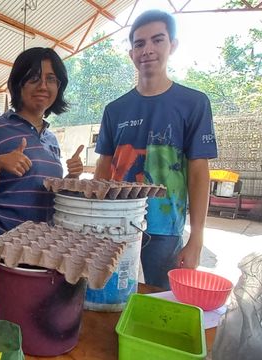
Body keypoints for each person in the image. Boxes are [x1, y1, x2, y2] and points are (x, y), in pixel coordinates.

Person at [94, 10, 218, 289]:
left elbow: (198, 173)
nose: (147, 50)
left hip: (165, 227)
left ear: (172, 45)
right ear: (131, 53)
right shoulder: (115, 110)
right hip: (117, 224)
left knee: (161, 298)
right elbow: (103, 167)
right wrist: (95, 218)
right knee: (108, 293)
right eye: (139, 44)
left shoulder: (193, 103)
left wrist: (196, 236)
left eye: (157, 40)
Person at [0, 47, 84, 329]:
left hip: (37, 247)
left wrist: (70, 179)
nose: (43, 86)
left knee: (29, 323)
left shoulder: (51, 138)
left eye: (52, 79)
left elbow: (45, 192)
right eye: (34, 78)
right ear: (18, 83)